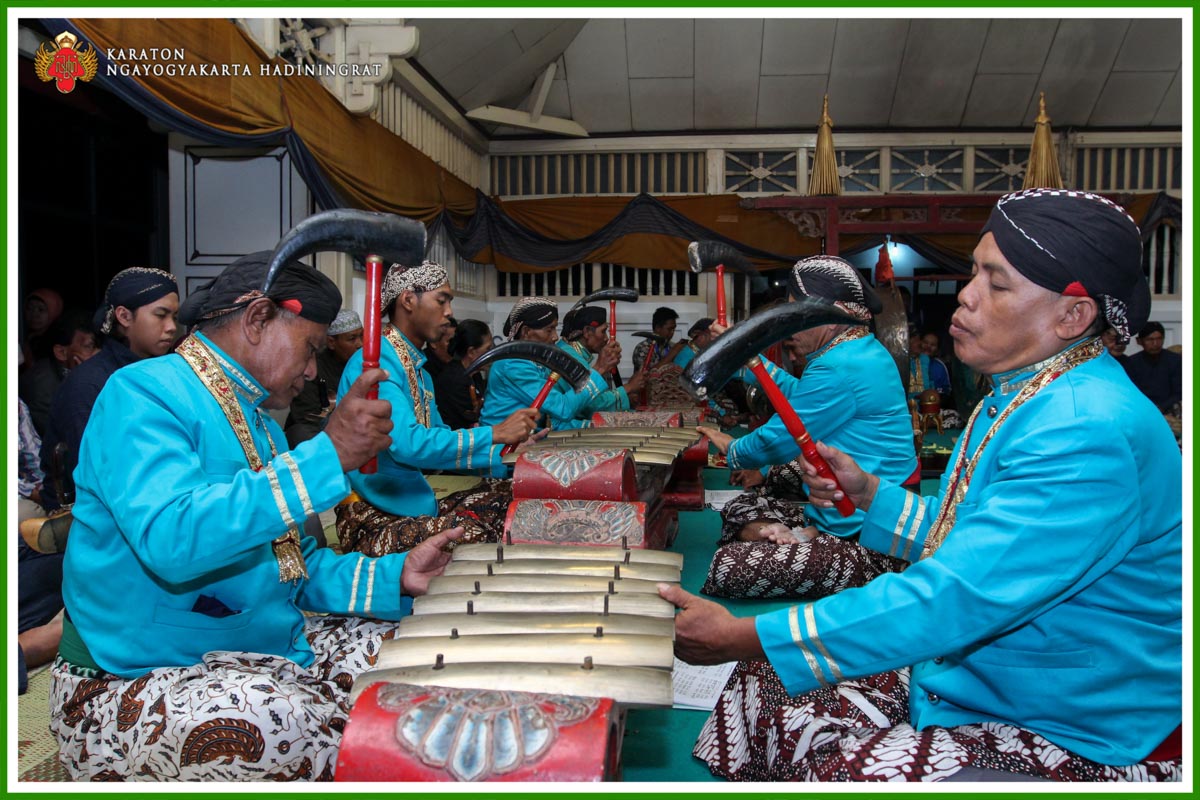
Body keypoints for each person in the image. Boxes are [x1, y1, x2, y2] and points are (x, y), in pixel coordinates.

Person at [661, 189, 1181, 782]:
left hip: (1072, 722)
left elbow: (955, 594)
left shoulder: (1085, 429)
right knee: (767, 685)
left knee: (837, 758)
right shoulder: (1024, 392)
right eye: (974, 273)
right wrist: (870, 495)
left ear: (1072, 315)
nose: (966, 295)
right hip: (987, 679)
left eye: (997, 282)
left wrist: (741, 633)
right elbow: (963, 535)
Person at [49, 250, 465, 781]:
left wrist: (395, 575)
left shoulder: (260, 422)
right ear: (257, 319)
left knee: (418, 654)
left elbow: (293, 565)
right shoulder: (141, 394)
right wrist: (327, 454)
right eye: (310, 348)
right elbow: (171, 540)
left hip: (258, 646)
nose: (314, 369)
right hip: (130, 674)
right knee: (280, 723)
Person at [699, 256, 917, 600]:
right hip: (841, 511)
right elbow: (796, 398)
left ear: (827, 315)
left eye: (794, 316)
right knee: (737, 508)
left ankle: (796, 538)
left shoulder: (840, 366)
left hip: (871, 536)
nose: (788, 328)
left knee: (729, 567)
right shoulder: (856, 351)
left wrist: (733, 450)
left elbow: (779, 439)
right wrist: (743, 355)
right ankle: (789, 534)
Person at [335, 263, 538, 557]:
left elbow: (440, 440)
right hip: (372, 514)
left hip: (412, 502)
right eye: (441, 300)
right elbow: (408, 446)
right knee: (489, 531)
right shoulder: (376, 363)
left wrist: (510, 453)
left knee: (515, 498)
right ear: (408, 300)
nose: (449, 312)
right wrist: (494, 433)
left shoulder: (418, 370)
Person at [38, 268, 180, 511]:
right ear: (124, 317)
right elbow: (95, 471)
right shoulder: (90, 383)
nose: (171, 327)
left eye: (174, 317)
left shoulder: (167, 373)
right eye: (160, 315)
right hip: (93, 517)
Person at [479, 297, 596, 431]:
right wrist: (599, 369)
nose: (555, 337)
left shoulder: (534, 362)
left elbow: (553, 420)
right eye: (549, 329)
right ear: (526, 331)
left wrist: (591, 426)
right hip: (501, 447)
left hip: (526, 440)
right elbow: (562, 408)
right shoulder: (513, 364)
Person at [284, 308, 363, 447]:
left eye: (361, 336)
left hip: (355, 429)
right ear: (331, 342)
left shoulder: (364, 364)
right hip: (319, 430)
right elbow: (306, 416)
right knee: (300, 433)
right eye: (352, 339)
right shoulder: (312, 367)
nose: (360, 344)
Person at [19, 311, 98, 436]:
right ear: (62, 352)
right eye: (89, 346)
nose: (97, 353)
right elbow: (66, 437)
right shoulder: (42, 388)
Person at [557, 306, 646, 416]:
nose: (606, 338)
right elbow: (593, 405)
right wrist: (629, 387)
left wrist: (626, 395)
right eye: (603, 331)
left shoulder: (569, 350)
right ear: (587, 332)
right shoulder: (570, 358)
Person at [433, 318, 493, 430]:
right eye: (488, 348)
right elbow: (471, 419)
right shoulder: (453, 380)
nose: (491, 353)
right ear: (471, 352)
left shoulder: (474, 374)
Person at [1122, 321, 1182, 413]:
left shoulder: (1175, 360)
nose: (1155, 344)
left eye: (1159, 339)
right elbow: (1132, 392)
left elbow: (1178, 392)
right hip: (1141, 409)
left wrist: (1162, 407)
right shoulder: (1131, 362)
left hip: (1169, 409)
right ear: (1139, 341)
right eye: (1150, 340)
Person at [21, 287, 64, 367]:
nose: (34, 314)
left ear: (54, 311)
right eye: (29, 308)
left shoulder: (56, 343)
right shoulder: (25, 337)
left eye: (41, 310)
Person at [631, 306, 681, 371]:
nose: (672, 332)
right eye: (669, 329)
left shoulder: (672, 346)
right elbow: (647, 376)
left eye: (674, 329)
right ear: (658, 328)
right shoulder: (642, 349)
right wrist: (673, 353)